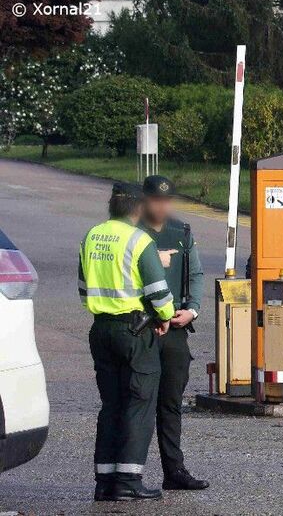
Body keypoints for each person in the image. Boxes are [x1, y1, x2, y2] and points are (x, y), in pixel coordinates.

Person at [78, 183, 175, 501]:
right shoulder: (139, 240)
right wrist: (165, 316)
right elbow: (158, 293)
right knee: (139, 403)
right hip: (134, 333)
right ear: (138, 208)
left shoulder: (91, 236)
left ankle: (105, 481)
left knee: (111, 405)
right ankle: (129, 480)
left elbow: (84, 290)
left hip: (101, 329)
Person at [141, 175, 209, 491]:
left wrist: (192, 309)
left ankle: (174, 471)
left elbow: (195, 273)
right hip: (142, 328)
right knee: (137, 403)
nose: (162, 206)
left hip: (175, 328)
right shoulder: (133, 232)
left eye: (167, 200)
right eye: (156, 200)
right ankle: (129, 474)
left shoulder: (181, 232)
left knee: (170, 403)